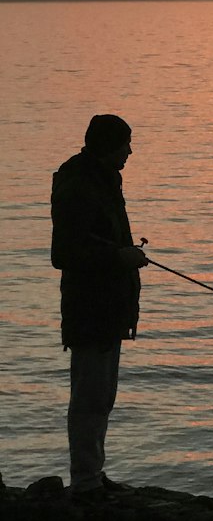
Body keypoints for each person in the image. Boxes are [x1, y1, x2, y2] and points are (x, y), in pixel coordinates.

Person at [50, 113, 148, 499]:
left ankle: (93, 474)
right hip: (89, 309)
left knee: (103, 396)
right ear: (108, 145)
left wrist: (123, 256)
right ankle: (85, 482)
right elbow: (64, 253)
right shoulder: (78, 182)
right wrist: (119, 259)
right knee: (90, 397)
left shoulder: (104, 178)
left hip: (110, 307)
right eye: (125, 143)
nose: (130, 150)